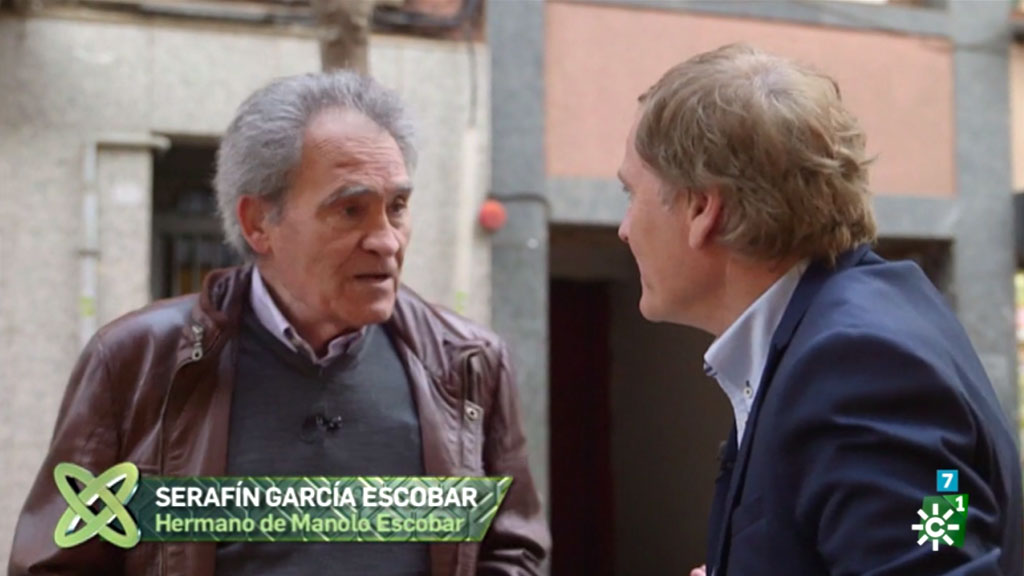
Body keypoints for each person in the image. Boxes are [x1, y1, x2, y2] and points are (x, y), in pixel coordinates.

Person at [10, 70, 549, 576]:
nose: (386, 240)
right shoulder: (138, 362)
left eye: (398, 206)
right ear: (258, 223)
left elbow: (512, 551)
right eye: (350, 210)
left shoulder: (466, 363)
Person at [615, 43, 1023, 576]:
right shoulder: (848, 331)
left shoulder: (858, 366)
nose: (624, 228)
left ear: (701, 208)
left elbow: (934, 548)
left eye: (630, 194)